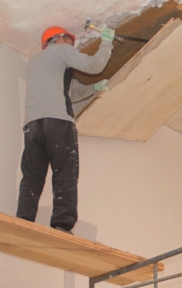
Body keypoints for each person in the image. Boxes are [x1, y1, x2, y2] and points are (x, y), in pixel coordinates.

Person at [16, 25, 115, 233]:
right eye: (70, 41)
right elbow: (95, 65)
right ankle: (63, 223)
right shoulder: (61, 50)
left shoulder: (34, 62)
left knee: (32, 175)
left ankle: (23, 219)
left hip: (32, 126)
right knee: (65, 173)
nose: (73, 46)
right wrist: (107, 42)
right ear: (58, 39)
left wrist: (93, 88)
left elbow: (68, 92)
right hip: (58, 123)